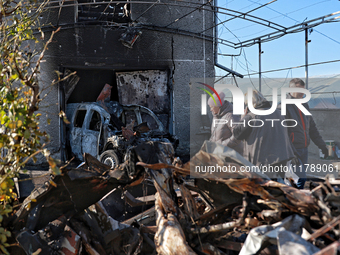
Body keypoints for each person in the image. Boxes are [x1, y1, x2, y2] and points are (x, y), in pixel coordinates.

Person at [233, 90, 295, 180]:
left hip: (262, 161)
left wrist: (242, 118)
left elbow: (237, 134)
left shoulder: (251, 116)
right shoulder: (278, 113)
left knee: (263, 188)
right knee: (277, 186)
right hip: (282, 157)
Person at [283, 78, 328, 189]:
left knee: (295, 179)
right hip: (293, 151)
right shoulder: (284, 106)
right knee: (300, 179)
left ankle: (291, 198)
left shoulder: (304, 105)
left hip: (304, 149)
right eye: (300, 91)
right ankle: (295, 200)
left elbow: (312, 128)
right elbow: (282, 133)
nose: (302, 94)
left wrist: (322, 145)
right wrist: (291, 152)